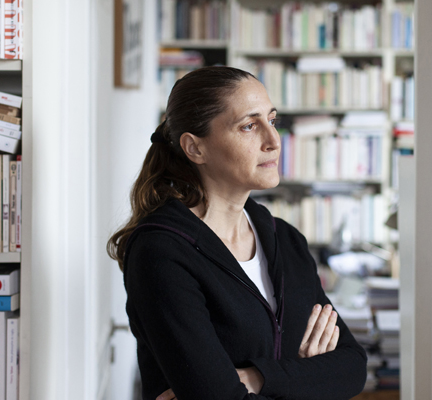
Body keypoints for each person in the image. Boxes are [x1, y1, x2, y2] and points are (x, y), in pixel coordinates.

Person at [107, 66, 367, 400]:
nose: (274, 141)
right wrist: (307, 377)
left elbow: (353, 367)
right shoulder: (162, 253)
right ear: (195, 148)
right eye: (249, 126)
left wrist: (256, 378)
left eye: (272, 120)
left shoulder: (285, 239)